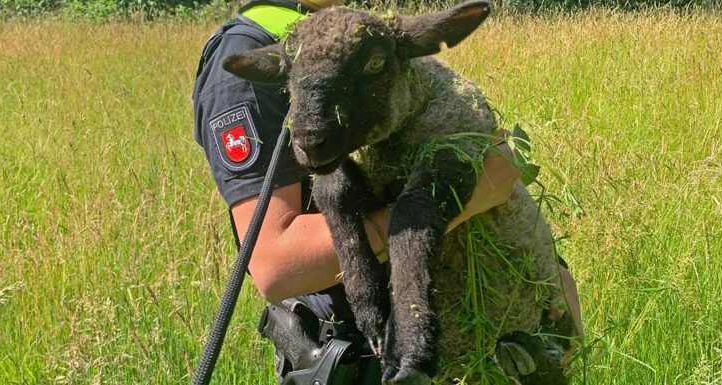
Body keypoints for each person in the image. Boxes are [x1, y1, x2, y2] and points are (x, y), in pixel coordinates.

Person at [193, 0, 583, 383]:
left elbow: (459, 148)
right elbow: (275, 264)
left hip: (481, 338)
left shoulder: (353, 26)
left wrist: (550, 271)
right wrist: (466, 198)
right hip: (362, 355)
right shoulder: (249, 46)